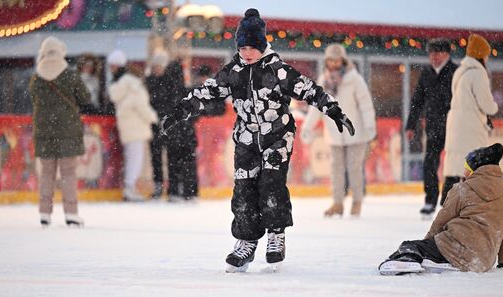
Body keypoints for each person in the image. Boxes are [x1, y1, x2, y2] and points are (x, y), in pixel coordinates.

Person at [160, 8, 355, 272]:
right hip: (247, 138)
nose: (247, 52)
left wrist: (334, 111)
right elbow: (206, 92)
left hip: (277, 136)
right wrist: (179, 111)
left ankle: (276, 235)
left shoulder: (277, 71)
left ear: (262, 45)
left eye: (252, 46)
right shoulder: (233, 72)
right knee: (243, 191)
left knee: (271, 185)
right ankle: (246, 240)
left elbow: (309, 90)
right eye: (242, 47)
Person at [378, 143, 503, 275]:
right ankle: (444, 262)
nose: (464, 171)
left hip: (456, 248)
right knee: (433, 248)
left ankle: (407, 260)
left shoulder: (463, 190)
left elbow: (441, 220)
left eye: (467, 167)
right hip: (483, 261)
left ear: (475, 170)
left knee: (410, 246)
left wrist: (426, 244)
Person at [301, 43, 376, 218]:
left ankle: (357, 201)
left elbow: (365, 105)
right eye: (331, 60)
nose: (334, 63)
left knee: (354, 168)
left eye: (337, 60)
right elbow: (317, 107)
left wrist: (370, 127)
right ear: (327, 61)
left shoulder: (354, 79)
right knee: (336, 169)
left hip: (355, 133)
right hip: (334, 134)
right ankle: (337, 203)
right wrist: (308, 127)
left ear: (343, 60)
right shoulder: (324, 80)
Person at [29, 36, 91, 227]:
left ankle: (44, 213)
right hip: (68, 132)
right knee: (68, 174)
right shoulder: (70, 75)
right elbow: (86, 98)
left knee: (46, 174)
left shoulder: (36, 78)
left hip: (44, 132)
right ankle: (71, 213)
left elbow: (33, 99)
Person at [442, 34, 499, 206]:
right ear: (481, 55)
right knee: (473, 168)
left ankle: (447, 204)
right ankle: (470, 207)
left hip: (456, 125)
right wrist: (495, 107)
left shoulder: (460, 71)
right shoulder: (478, 74)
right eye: (487, 55)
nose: (488, 59)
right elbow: (487, 105)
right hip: (471, 127)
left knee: (455, 168)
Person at [405, 39, 458, 219]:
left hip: (453, 128)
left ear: (447, 54)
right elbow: (417, 101)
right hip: (434, 127)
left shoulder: (456, 72)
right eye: (431, 53)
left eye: (438, 53)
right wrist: (410, 124)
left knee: (453, 167)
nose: (434, 57)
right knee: (429, 164)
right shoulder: (426, 73)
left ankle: (449, 203)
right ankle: (430, 200)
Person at [146, 51, 198, 201]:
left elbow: (172, 103)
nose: (156, 69)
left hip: (169, 127)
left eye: (159, 66)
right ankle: (161, 186)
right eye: (154, 66)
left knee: (172, 158)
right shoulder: (152, 82)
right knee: (157, 157)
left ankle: (175, 189)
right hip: (156, 125)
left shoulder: (171, 84)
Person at [107, 49, 158, 201]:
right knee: (135, 160)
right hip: (137, 127)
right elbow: (142, 105)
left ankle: (130, 187)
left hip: (127, 127)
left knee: (131, 159)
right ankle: (130, 188)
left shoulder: (118, 84)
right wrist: (154, 119)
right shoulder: (133, 85)